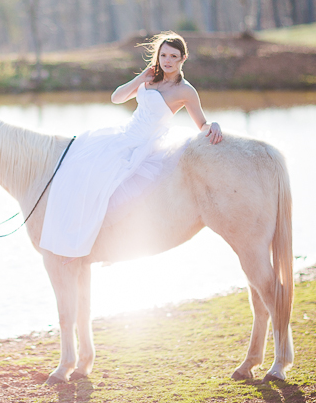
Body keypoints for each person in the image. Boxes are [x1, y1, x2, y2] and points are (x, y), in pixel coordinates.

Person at [39, 32, 222, 258]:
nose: (167, 60)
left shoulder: (185, 90)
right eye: (163, 54)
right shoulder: (150, 78)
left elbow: (201, 123)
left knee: (113, 189)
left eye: (174, 56)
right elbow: (117, 98)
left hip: (146, 144)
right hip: (124, 134)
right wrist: (139, 80)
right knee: (80, 168)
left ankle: (95, 244)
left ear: (183, 59)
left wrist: (213, 125)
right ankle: (70, 239)